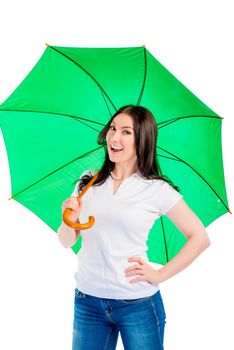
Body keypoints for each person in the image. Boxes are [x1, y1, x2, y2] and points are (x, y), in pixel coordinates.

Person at [57, 105, 211, 350]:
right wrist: (68, 218)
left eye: (126, 132)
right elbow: (66, 241)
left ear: (142, 139)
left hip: (137, 304)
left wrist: (160, 274)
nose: (115, 137)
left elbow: (200, 237)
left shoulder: (157, 190)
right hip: (88, 300)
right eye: (113, 128)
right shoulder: (88, 181)